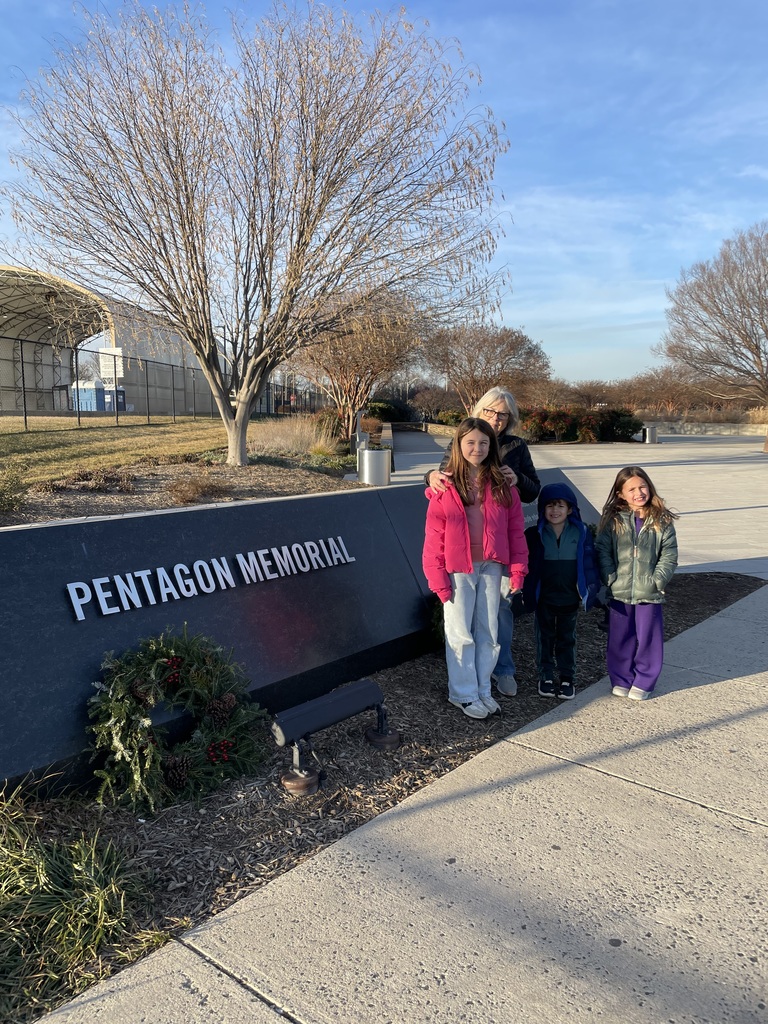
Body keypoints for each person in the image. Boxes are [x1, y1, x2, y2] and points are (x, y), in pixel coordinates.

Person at [426, 387, 540, 698]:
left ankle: (499, 672)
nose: (496, 418)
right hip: (463, 559)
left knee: (498, 616)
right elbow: (444, 475)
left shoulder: (516, 446)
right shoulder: (464, 439)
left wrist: (515, 477)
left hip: (496, 553)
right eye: (491, 412)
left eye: (503, 414)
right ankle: (467, 688)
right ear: (480, 411)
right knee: (465, 625)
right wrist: (429, 476)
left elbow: (532, 490)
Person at [595, 466, 678, 701]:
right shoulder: (614, 520)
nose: (638, 492)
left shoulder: (661, 520)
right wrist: (610, 577)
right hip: (619, 590)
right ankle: (621, 677)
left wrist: (658, 580)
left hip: (648, 591)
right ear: (620, 493)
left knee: (648, 637)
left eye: (642, 486)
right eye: (631, 489)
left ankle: (645, 679)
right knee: (620, 637)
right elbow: (602, 549)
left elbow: (669, 553)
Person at [522, 482, 600, 700]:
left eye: (560, 506)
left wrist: (592, 590)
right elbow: (526, 565)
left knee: (567, 639)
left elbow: (589, 564)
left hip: (569, 598)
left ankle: (567, 677)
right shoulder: (534, 535)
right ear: (542, 510)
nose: (554, 511)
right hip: (544, 598)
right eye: (549, 506)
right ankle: (545, 675)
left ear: (570, 509)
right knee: (544, 638)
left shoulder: (581, 532)